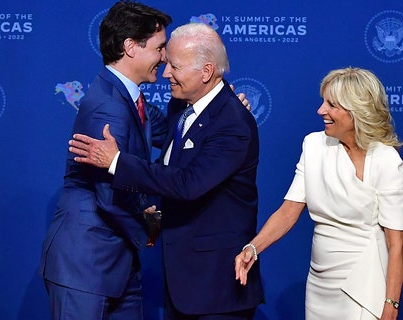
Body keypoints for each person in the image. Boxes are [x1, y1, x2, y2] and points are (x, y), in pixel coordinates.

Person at [69, 23, 264, 319]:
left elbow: (188, 183)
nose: (165, 72)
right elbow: (153, 141)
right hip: (181, 283)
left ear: (206, 71)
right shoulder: (183, 107)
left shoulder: (233, 123)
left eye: (174, 66)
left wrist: (115, 162)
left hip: (217, 290)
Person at [234, 67, 403, 320]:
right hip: (320, 285)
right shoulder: (314, 145)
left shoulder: (387, 161)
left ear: (356, 111)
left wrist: (390, 306)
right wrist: (253, 248)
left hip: (365, 282)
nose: (320, 110)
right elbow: (288, 211)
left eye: (332, 105)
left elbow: (397, 243)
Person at [38, 2, 172, 319]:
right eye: (159, 48)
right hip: (85, 266)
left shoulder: (129, 98)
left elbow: (171, 134)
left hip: (116, 265)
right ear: (130, 47)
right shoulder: (107, 108)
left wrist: (220, 108)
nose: (164, 58)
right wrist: (148, 230)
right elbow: (109, 197)